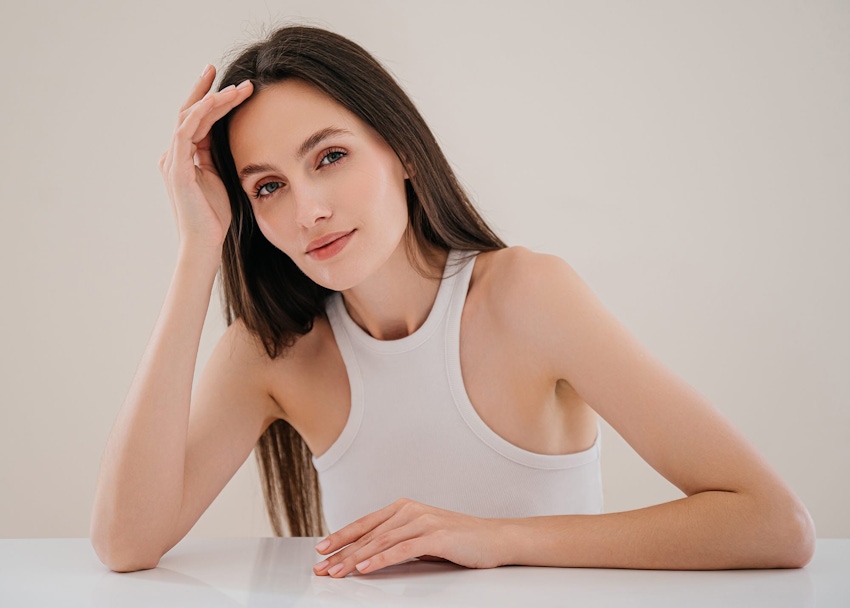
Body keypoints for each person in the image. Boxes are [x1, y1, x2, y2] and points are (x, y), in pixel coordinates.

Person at [90, 25, 815, 576]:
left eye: (330, 157)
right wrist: (197, 252)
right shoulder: (275, 352)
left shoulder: (526, 296)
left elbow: (772, 524)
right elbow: (126, 544)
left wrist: (491, 538)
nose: (307, 208)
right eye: (268, 187)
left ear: (401, 152)